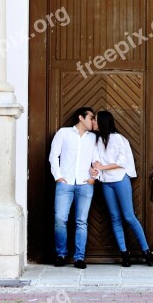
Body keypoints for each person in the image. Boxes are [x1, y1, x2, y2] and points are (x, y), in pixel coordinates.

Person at [91, 111, 153, 267]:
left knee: (128, 216)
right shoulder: (97, 140)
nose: (93, 121)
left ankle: (146, 252)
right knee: (115, 218)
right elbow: (95, 161)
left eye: (95, 119)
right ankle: (124, 254)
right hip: (106, 182)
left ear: (103, 122)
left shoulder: (118, 139)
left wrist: (102, 167)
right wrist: (96, 168)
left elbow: (122, 162)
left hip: (120, 180)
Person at [49, 106, 97, 269]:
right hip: (65, 183)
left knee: (81, 221)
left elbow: (96, 161)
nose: (93, 121)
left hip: (85, 184)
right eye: (91, 117)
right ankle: (61, 254)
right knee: (60, 219)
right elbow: (53, 155)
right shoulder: (64, 133)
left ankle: (79, 258)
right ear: (81, 118)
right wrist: (58, 177)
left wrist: (93, 178)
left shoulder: (92, 139)